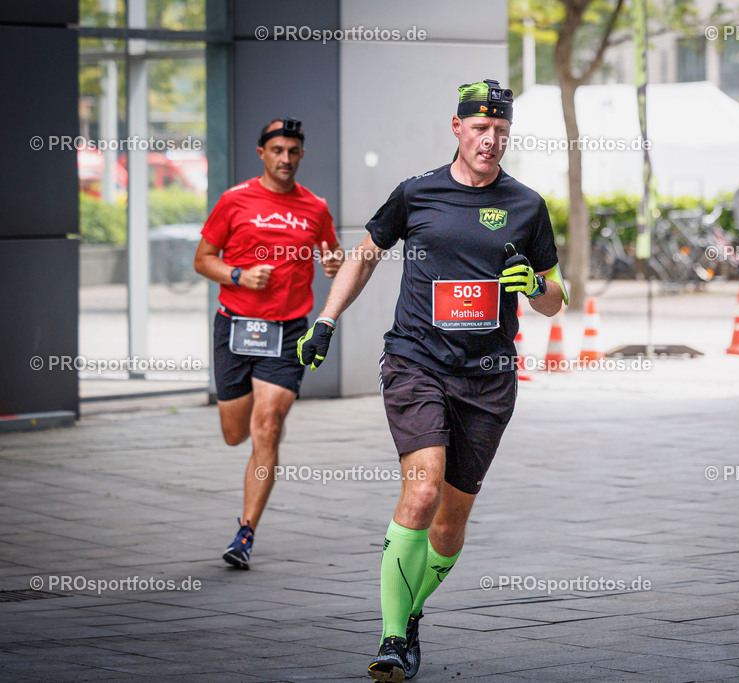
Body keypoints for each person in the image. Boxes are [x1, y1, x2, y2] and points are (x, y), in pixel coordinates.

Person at [296, 79, 567, 682]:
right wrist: (325, 319)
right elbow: (366, 254)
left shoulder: (526, 205)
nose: (489, 139)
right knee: (421, 493)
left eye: (500, 130)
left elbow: (556, 297)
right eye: (479, 128)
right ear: (457, 128)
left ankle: (411, 612)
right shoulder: (417, 194)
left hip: (490, 377)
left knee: (450, 519)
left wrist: (536, 286)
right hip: (417, 362)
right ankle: (393, 639)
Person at [193, 118, 342, 570]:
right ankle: (246, 518)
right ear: (262, 152)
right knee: (235, 433)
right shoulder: (234, 201)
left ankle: (245, 533)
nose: (286, 159)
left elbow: (330, 252)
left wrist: (333, 262)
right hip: (235, 327)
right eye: (277, 150)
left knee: (269, 424)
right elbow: (202, 260)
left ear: (300, 155)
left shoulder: (314, 208)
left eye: (293, 151)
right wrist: (239, 275)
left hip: (288, 331)